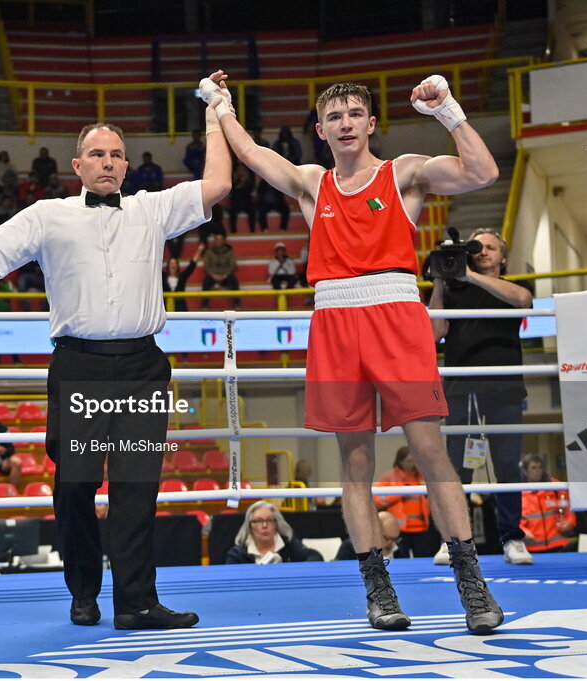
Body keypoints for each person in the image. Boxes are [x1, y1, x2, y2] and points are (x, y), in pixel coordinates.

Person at [205, 71, 503, 633]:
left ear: (370, 124)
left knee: (429, 450)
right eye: (334, 117)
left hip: (395, 315)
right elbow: (248, 152)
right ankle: (378, 590)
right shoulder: (312, 182)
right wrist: (220, 104)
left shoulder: (404, 173)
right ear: (321, 129)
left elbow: (483, 172)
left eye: (354, 114)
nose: (345, 123)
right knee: (356, 463)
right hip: (335, 321)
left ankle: (471, 583)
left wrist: (448, 111)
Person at [0, 89, 231, 629]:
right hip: (79, 368)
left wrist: (214, 116)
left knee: (137, 489)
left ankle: (137, 602)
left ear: (127, 164)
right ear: (77, 166)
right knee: (75, 488)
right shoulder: (48, 215)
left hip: (142, 368)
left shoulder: (153, 207)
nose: (107, 162)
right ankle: (84, 591)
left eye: (116, 153)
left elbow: (219, 185)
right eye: (97, 154)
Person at [429, 227, 535, 566]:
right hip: (462, 387)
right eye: (477, 247)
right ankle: (453, 540)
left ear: (502, 257)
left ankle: (513, 538)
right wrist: (441, 281)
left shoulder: (512, 288)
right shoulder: (454, 289)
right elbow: (434, 333)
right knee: (458, 467)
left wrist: (471, 275)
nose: (483, 251)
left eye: (491, 247)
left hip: (504, 387)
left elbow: (524, 301)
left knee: (507, 464)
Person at [374, 446, 440, 558]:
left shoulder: (422, 477)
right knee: (401, 561)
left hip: (422, 528)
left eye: (414, 461)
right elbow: (377, 500)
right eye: (408, 461)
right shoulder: (389, 477)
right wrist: (400, 492)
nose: (412, 464)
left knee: (424, 559)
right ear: (400, 461)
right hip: (400, 530)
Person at [225, 501, 324, 564]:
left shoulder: (290, 545)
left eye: (269, 520)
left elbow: (316, 556)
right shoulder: (238, 554)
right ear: (250, 526)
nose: (264, 525)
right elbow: (229, 577)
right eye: (258, 521)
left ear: (276, 524)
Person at [519, 454, 577, 553]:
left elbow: (569, 509)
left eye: (540, 467)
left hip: (559, 545)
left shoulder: (555, 487)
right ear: (525, 471)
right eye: (533, 468)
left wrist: (570, 522)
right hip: (532, 547)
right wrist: (522, 532)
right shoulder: (518, 492)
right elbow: (515, 520)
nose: (537, 471)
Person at [336, 511, 408, 561]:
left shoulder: (397, 549)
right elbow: (339, 571)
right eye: (388, 539)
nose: (393, 544)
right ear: (374, 532)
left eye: (396, 539)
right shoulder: (350, 547)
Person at [201, 231, 240, 309]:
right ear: (214, 240)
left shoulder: (229, 251)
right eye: (217, 239)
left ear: (223, 240)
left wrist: (225, 275)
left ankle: (237, 305)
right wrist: (213, 275)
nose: (219, 241)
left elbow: (233, 265)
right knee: (206, 282)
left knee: (234, 281)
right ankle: (204, 306)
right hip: (213, 276)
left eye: (220, 239)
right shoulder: (209, 252)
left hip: (226, 276)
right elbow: (206, 266)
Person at [162, 243, 204, 312]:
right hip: (165, 309)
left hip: (180, 308)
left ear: (177, 266)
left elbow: (191, 266)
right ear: (168, 266)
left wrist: (199, 251)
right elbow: (155, 267)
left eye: (175, 263)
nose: (173, 265)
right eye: (171, 263)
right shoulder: (163, 277)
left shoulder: (182, 277)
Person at [228, 164, 256, 233]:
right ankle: (233, 231)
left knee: (252, 212)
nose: (241, 171)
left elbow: (252, 189)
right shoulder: (234, 179)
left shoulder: (249, 180)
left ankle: (252, 230)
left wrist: (245, 183)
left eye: (242, 169)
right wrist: (239, 184)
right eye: (239, 170)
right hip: (236, 202)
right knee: (232, 213)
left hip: (247, 202)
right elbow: (231, 191)